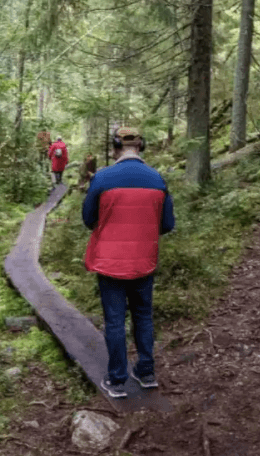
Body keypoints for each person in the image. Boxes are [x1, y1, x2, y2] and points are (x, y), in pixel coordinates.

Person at [82, 126, 175, 399]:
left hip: (109, 262)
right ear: (140, 147)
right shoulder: (157, 179)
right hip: (144, 261)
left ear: (115, 148)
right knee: (143, 316)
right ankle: (146, 373)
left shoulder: (102, 178)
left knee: (115, 321)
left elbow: (88, 219)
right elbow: (167, 224)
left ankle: (117, 380)